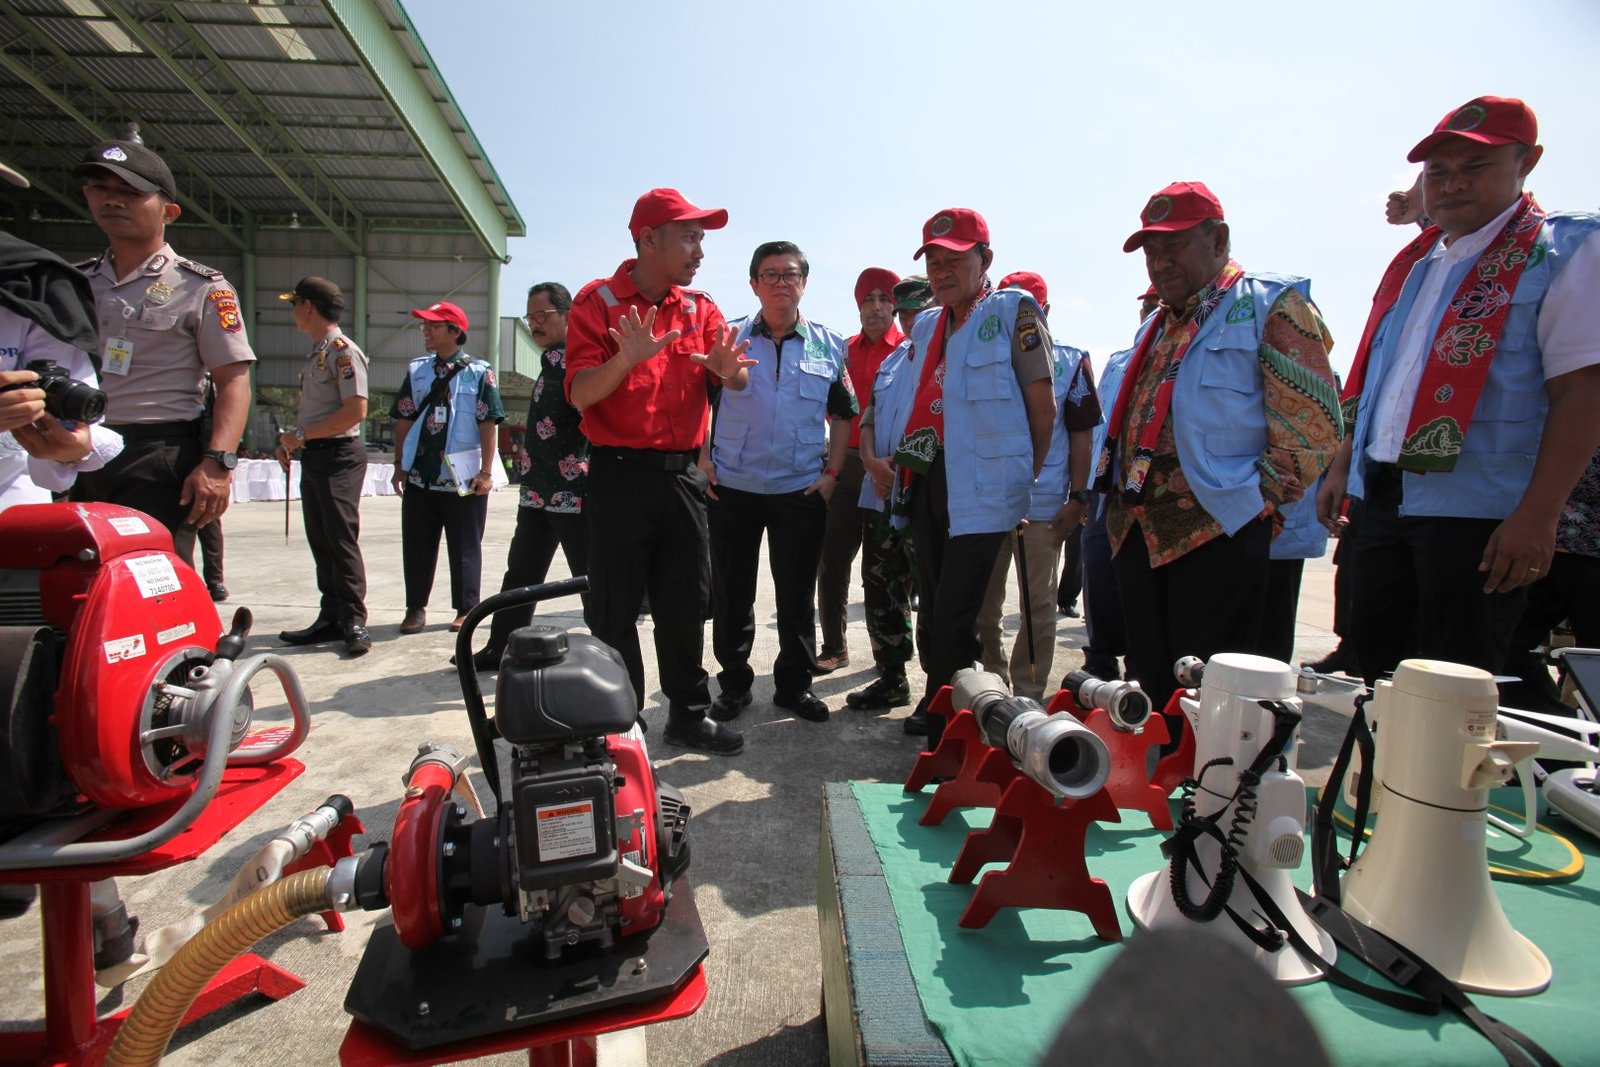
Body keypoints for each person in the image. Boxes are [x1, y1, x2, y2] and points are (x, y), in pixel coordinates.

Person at [1321, 96, 1600, 685]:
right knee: (1373, 670)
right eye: (1438, 172)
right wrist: (1344, 465)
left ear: (1528, 162)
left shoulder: (1561, 253)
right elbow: (1384, 384)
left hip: (1477, 514)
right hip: (1386, 499)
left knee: (1454, 688)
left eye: (1474, 168)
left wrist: (1540, 514)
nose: (1451, 185)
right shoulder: (1424, 263)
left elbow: (1581, 391)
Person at [1103, 181, 1340, 718]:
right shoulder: (1158, 325)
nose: (1159, 264)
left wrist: (1259, 500)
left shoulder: (1269, 304)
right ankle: (1162, 788)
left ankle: (1211, 795)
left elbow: (1315, 421)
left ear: (1218, 240)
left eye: (1173, 247)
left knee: (1213, 691)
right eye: (1151, 253)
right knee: (1154, 682)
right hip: (1138, 530)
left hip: (1215, 529)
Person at [564, 188, 756, 756]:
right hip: (619, 476)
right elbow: (579, 393)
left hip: (681, 481)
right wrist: (626, 359)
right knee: (615, 605)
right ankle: (622, 721)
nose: (700, 250)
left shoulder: (699, 308)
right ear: (649, 239)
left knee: (685, 601)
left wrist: (730, 374)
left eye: (702, 238)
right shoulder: (596, 304)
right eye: (690, 236)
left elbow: (734, 377)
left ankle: (688, 715)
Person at [875, 209, 1057, 741]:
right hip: (929, 478)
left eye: (955, 258)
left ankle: (945, 730)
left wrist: (1024, 482)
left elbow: (1041, 410)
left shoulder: (1013, 311)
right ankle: (961, 710)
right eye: (933, 259)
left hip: (987, 488)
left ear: (986, 260)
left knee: (957, 613)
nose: (942, 269)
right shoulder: (928, 323)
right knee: (934, 605)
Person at [67, 140, 254, 565]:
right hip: (78, 447)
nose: (112, 199)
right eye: (99, 187)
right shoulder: (74, 283)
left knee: (154, 579)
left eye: (131, 192)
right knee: (78, 577)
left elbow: (233, 380)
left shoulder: (201, 287)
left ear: (168, 211)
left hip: (158, 455)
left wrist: (218, 463)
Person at [704, 241, 856, 725]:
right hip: (732, 487)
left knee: (795, 595)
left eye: (790, 275)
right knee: (732, 592)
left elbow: (846, 413)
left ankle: (794, 686)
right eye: (769, 275)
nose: (780, 283)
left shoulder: (829, 344)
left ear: (804, 284)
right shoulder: (726, 337)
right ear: (753, 284)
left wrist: (832, 474)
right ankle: (733, 685)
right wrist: (701, 459)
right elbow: (696, 404)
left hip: (799, 490)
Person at [975, 271, 1099, 702]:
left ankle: (1027, 689)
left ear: (1044, 311)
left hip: (1044, 511)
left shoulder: (1070, 360)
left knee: (1038, 607)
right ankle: (993, 680)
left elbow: (1082, 433)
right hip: (989, 506)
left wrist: (1079, 498)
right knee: (984, 605)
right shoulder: (982, 357)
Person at [468, 282, 590, 671]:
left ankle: (611, 649)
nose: (535, 324)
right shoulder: (549, 363)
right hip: (538, 491)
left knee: (590, 577)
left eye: (543, 316)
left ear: (569, 317)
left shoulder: (580, 364)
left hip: (573, 492)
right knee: (521, 571)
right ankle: (500, 646)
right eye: (530, 317)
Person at [388, 300, 504, 634]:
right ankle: (415, 608)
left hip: (462, 476)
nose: (426, 330)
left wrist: (485, 472)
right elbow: (404, 417)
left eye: (434, 325)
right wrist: (399, 465)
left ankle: (467, 608)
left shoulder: (479, 373)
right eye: (424, 325)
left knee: (466, 544)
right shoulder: (417, 371)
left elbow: (488, 422)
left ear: (455, 331)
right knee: (417, 543)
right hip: (421, 474)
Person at [848, 275, 933, 711]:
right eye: (906, 313)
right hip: (880, 492)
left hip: (926, 496)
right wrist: (869, 461)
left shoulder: (951, 358)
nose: (911, 320)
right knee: (881, 586)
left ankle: (938, 692)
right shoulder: (895, 360)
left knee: (933, 595)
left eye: (919, 310)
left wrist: (902, 471)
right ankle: (892, 677)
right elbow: (868, 419)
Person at [274, 277, 372, 657]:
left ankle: (353, 619)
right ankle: (330, 614)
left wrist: (299, 434)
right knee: (321, 537)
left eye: (294, 304)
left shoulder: (342, 351)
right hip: (317, 453)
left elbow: (354, 411)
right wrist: (295, 440)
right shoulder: (319, 351)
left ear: (308, 306)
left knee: (339, 537)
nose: (294, 312)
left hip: (338, 455)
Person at [815, 267, 902, 674]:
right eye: (868, 299)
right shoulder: (842, 351)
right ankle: (834, 647)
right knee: (832, 562)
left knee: (884, 570)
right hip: (846, 467)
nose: (876, 307)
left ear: (896, 305)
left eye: (884, 298)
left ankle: (889, 657)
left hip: (892, 468)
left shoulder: (908, 350)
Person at [1076, 288, 1159, 682]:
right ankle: (1101, 656)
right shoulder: (1119, 361)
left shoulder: (1177, 359)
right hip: (1104, 483)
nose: (1151, 309)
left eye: (1158, 304)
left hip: (1150, 487)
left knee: (1143, 579)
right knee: (1098, 571)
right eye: (1147, 303)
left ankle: (1142, 666)